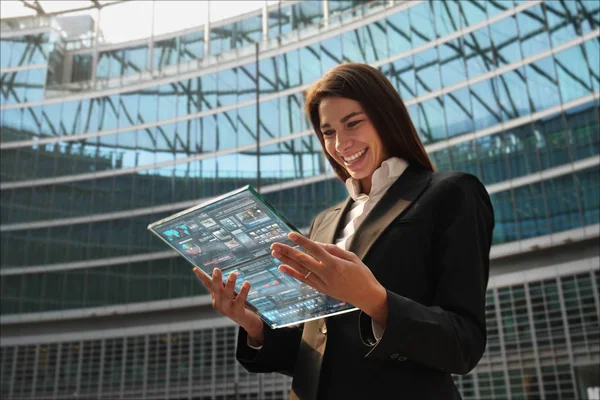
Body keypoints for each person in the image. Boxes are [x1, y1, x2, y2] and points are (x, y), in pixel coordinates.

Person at [194, 63, 494, 399]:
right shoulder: (323, 223)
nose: (341, 144)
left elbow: (464, 343)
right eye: (329, 132)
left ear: (385, 117)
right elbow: (317, 351)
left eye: (352, 123)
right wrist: (253, 324)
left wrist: (373, 299)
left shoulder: (450, 194)